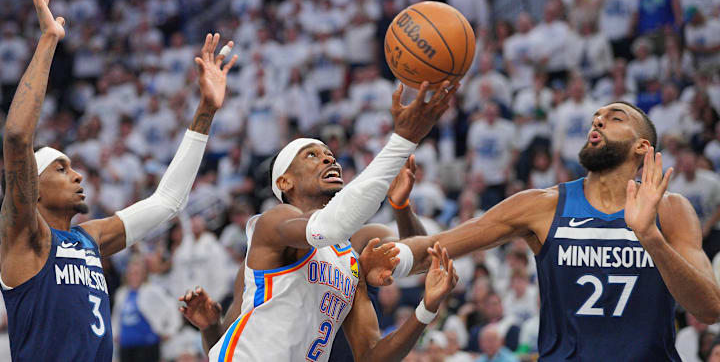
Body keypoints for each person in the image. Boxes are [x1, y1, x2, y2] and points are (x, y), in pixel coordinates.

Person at [0, 0, 238, 362]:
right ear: (34, 188)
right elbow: (16, 138)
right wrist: (48, 41)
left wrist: (205, 112)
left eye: (72, 166)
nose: (76, 174)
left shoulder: (90, 239)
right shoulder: (25, 237)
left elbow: (168, 200)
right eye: (60, 169)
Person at [368, 100, 720, 360]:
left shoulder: (671, 210)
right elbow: (436, 247)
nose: (597, 122)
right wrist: (389, 258)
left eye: (615, 118)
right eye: (595, 118)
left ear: (642, 146)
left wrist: (651, 238)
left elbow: (710, 309)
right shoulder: (542, 205)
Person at [181, 80, 459, 361]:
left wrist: (401, 206)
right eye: (313, 155)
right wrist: (211, 328)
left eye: (331, 155)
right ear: (285, 181)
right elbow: (229, 345)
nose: (329, 160)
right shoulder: (272, 230)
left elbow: (420, 258)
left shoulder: (358, 241)